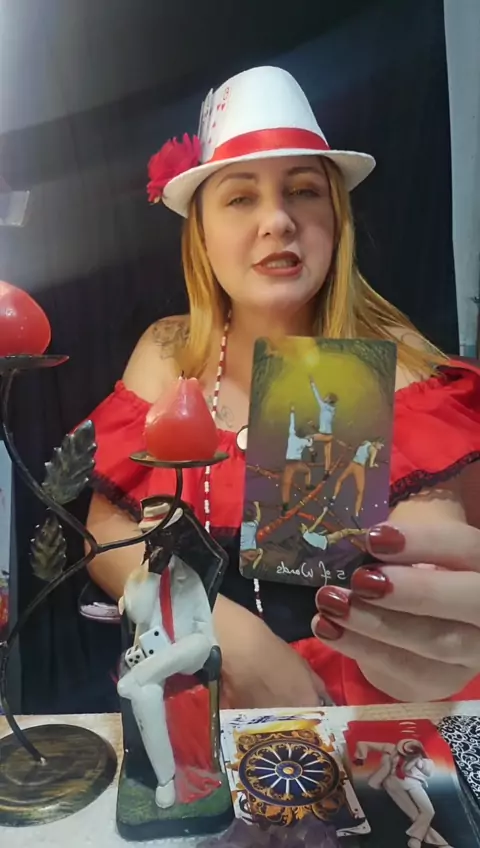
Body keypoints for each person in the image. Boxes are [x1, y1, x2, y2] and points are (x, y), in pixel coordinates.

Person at [83, 65, 480, 709]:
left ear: (336, 218)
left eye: (303, 191)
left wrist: (425, 641)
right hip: (201, 704)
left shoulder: (400, 368)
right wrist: (226, 633)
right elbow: (105, 529)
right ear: (201, 233)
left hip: (362, 711)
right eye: (241, 198)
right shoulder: (167, 353)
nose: (278, 220)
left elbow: (429, 562)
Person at [353, 738, 451, 847]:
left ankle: (417, 838)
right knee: (414, 814)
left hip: (413, 783)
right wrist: (361, 756)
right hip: (392, 783)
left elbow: (428, 772)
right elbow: (362, 743)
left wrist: (421, 759)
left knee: (428, 811)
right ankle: (438, 844)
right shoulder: (391, 748)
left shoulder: (422, 760)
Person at [329, 437, 384, 517]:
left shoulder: (365, 442)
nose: (381, 448)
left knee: (340, 480)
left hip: (352, 464)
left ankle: (333, 498)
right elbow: (370, 465)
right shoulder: (374, 450)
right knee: (360, 492)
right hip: (359, 468)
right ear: (377, 442)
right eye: (381, 445)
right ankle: (356, 514)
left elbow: (357, 450)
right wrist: (375, 465)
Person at [280, 405, 315, 512]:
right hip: (297, 464)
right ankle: (308, 485)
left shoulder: (292, 435)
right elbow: (310, 445)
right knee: (307, 471)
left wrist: (292, 412)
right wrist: (310, 439)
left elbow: (292, 423)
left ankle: (285, 505)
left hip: (289, 464)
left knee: (286, 484)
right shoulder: (304, 441)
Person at [308, 377, 338, 475]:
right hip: (329, 435)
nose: (324, 397)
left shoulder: (324, 406)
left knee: (308, 438)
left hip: (324, 435)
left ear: (329, 400)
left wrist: (312, 384)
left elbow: (316, 395)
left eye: (326, 397)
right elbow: (325, 424)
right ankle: (326, 472)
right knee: (327, 455)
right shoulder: (333, 410)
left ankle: (313, 453)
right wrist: (314, 426)